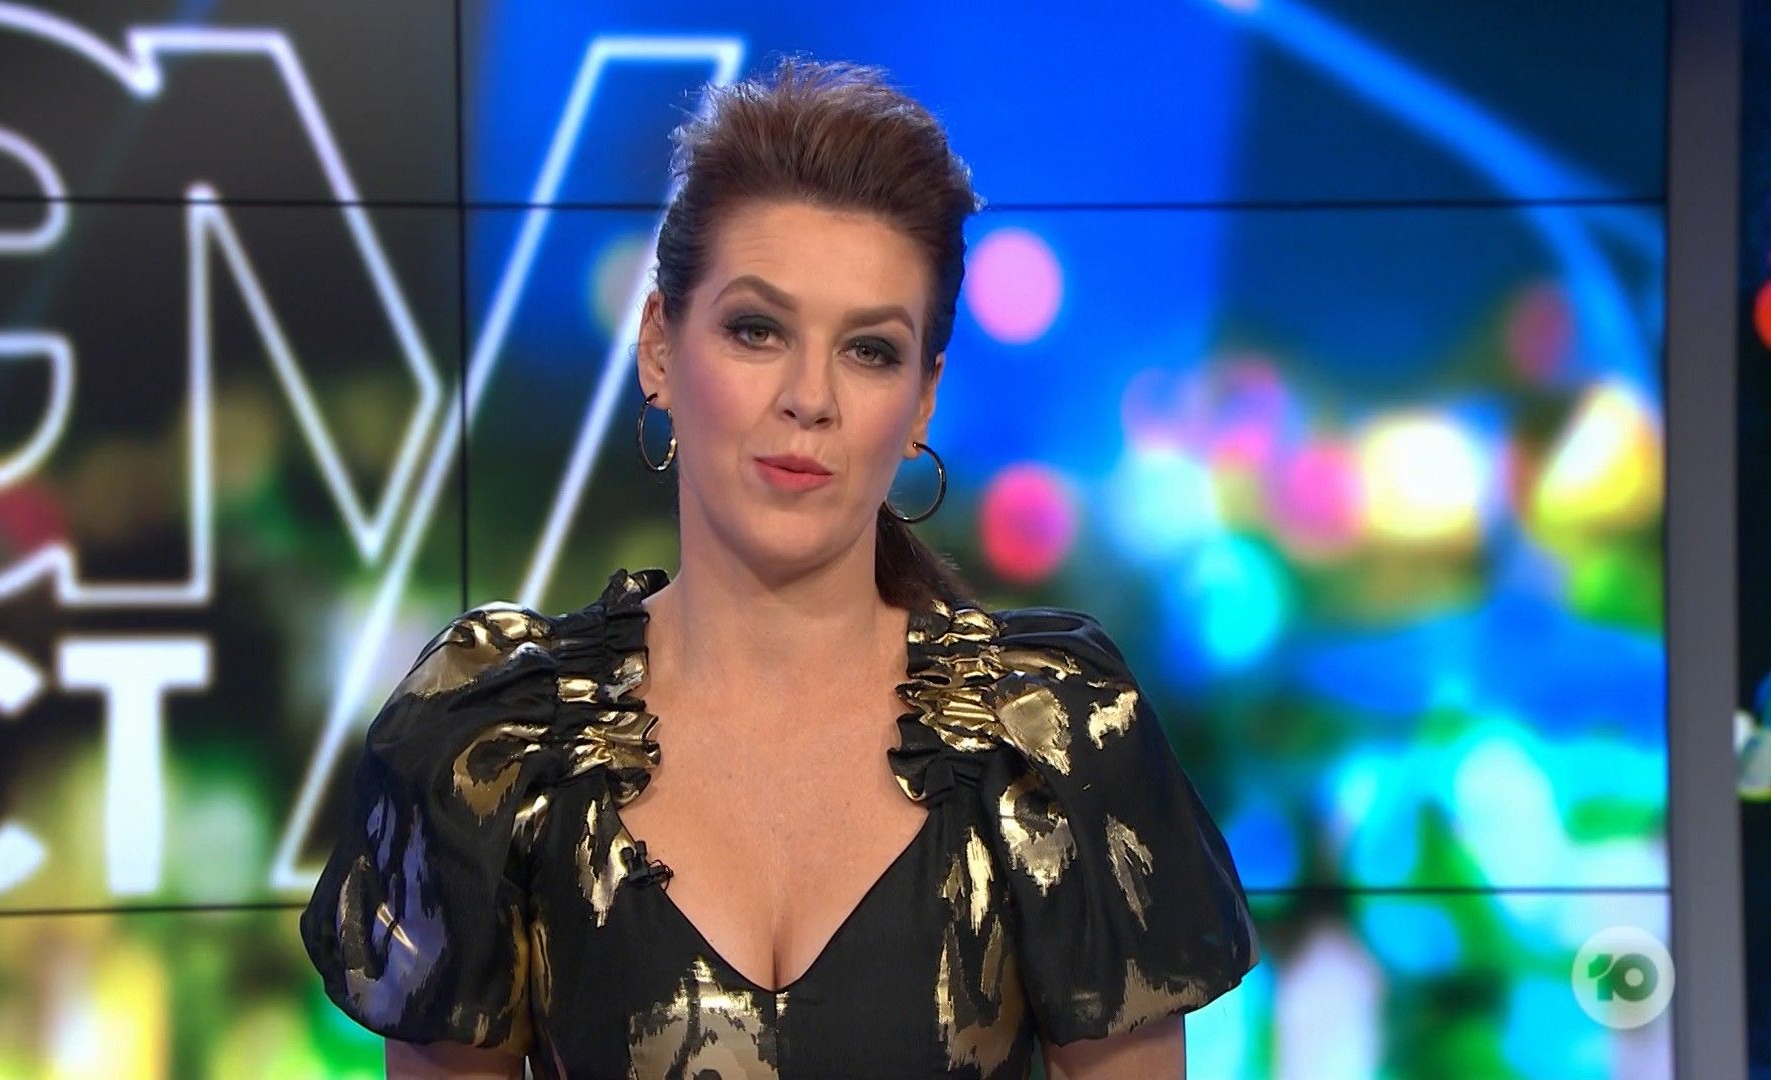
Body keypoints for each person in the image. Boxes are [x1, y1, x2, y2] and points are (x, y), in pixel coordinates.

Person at [300, 56, 1260, 1079]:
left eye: (869, 350)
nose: (810, 396)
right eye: (757, 330)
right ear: (660, 346)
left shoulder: (1057, 747)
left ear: (922, 399)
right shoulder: (495, 751)